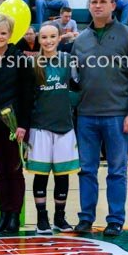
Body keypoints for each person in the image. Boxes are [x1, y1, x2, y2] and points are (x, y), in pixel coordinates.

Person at [72, 0, 128, 237]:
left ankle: (115, 219)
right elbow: (74, 80)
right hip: (85, 116)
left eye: (103, 1)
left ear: (114, 5)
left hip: (117, 115)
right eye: (93, 1)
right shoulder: (80, 40)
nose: (97, 5)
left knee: (117, 171)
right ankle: (86, 218)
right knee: (87, 170)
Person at [0, 14, 34, 236]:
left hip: (14, 124)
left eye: (3, 33)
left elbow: (27, 95)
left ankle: (15, 215)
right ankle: (3, 214)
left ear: (10, 34)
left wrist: (22, 124)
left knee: (15, 170)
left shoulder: (20, 58)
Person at [27, 22, 79, 234]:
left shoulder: (68, 61)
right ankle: (42, 218)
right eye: (44, 37)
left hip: (64, 126)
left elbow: (77, 86)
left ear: (59, 39)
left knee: (62, 175)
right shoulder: (33, 64)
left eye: (52, 37)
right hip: (40, 127)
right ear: (39, 40)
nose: (48, 41)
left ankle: (60, 217)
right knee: (41, 175)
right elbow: (28, 98)